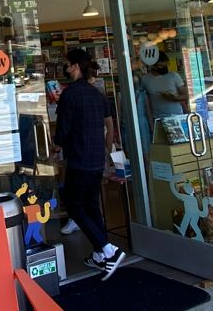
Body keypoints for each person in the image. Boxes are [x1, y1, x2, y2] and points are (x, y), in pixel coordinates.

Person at [54, 48, 125, 280]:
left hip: (79, 159)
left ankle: (108, 249)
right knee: (92, 206)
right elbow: (108, 123)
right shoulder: (97, 94)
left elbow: (63, 130)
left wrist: (55, 148)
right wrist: (106, 149)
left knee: (75, 206)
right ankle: (99, 255)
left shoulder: (70, 94)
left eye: (67, 64)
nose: (65, 68)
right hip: (96, 159)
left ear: (75, 66)